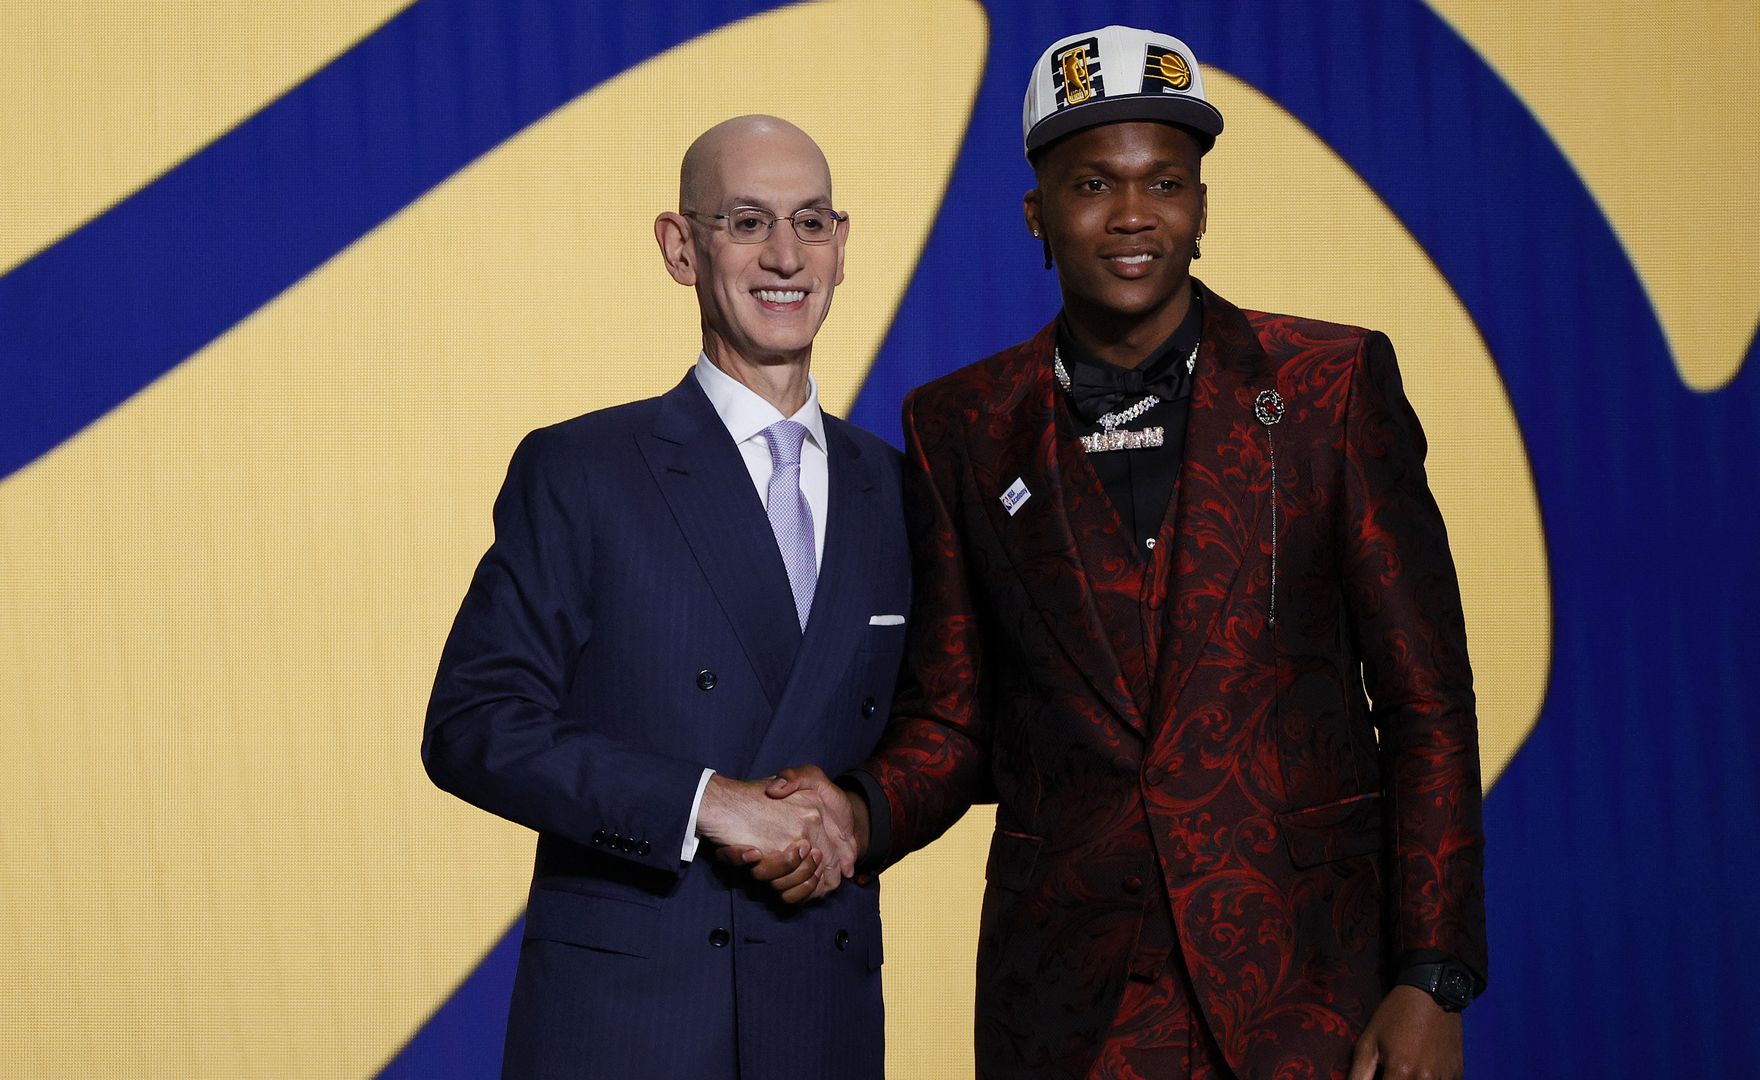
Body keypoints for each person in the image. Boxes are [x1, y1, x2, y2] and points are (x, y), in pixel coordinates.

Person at [763, 26, 1487, 1079]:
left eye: (1166, 183)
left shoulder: (1331, 386)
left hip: (1311, 987)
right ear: (1037, 216)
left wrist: (1433, 975)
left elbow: (1426, 701)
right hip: (1066, 999)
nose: (1134, 215)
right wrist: (855, 810)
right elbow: (958, 715)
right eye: (1093, 183)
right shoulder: (960, 425)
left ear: (1203, 208)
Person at [421, 114, 905, 1080]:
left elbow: (947, 728)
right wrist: (705, 804)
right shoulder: (583, 468)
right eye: (746, 221)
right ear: (682, 248)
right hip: (629, 1023)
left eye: (811, 223)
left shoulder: (895, 487)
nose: (784, 255)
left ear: (842, 249)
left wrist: (858, 814)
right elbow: (474, 724)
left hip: (821, 1014)